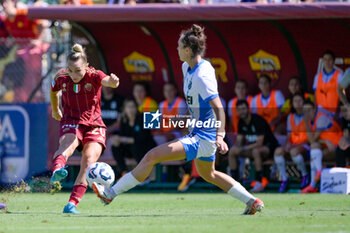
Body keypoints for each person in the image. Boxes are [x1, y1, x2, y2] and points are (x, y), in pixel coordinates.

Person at [92, 24, 264, 215]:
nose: (177, 49)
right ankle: (252, 201)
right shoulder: (186, 67)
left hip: (203, 137)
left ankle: (110, 193)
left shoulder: (202, 76)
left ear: (188, 50)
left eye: (179, 46)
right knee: (210, 174)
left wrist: (220, 136)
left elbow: (218, 107)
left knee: (151, 156)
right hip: (198, 133)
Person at [49, 43, 120, 214]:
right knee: (69, 144)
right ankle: (58, 170)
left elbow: (107, 81)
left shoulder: (94, 75)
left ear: (86, 67)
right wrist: (55, 108)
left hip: (94, 124)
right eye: (70, 70)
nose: (73, 74)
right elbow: (53, 90)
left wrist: (114, 81)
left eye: (78, 70)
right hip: (71, 120)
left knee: (88, 162)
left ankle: (71, 204)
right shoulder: (61, 77)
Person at [228, 100, 279, 193]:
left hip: (268, 148)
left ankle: (259, 181)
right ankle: (233, 184)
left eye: (243, 109)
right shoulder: (241, 122)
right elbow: (239, 141)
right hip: (252, 149)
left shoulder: (258, 120)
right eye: (239, 110)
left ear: (248, 109)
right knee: (233, 151)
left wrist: (243, 148)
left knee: (256, 151)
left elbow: (260, 143)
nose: (241, 111)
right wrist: (237, 147)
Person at [301, 100, 342, 193]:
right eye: (305, 111)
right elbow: (312, 141)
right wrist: (324, 141)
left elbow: (312, 140)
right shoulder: (312, 122)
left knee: (314, 154)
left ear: (315, 109)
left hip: (338, 147)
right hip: (327, 147)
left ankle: (315, 179)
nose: (307, 114)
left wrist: (306, 123)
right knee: (314, 152)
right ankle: (313, 184)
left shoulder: (320, 119)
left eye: (309, 110)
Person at [112, 98, 156, 177]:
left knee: (135, 146)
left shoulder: (143, 117)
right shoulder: (123, 120)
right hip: (131, 150)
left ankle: (144, 175)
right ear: (124, 109)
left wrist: (123, 139)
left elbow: (142, 138)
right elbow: (122, 135)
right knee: (115, 146)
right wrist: (117, 139)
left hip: (145, 149)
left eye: (133, 107)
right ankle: (123, 172)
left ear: (136, 108)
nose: (131, 109)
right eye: (128, 107)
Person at [274, 93, 309, 193]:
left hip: (305, 146)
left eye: (300, 101)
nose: (298, 103)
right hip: (293, 146)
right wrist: (288, 144)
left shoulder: (308, 115)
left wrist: (295, 146)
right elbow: (289, 136)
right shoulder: (291, 116)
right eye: (295, 101)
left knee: (294, 152)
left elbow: (310, 138)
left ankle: (304, 175)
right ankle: (284, 179)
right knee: (278, 151)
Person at [313, 50, 343, 117]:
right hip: (321, 111)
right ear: (323, 61)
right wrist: (315, 110)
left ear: (334, 61)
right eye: (325, 59)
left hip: (334, 112)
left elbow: (342, 94)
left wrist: (337, 112)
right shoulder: (317, 76)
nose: (327, 61)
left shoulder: (339, 75)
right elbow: (315, 94)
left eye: (330, 59)